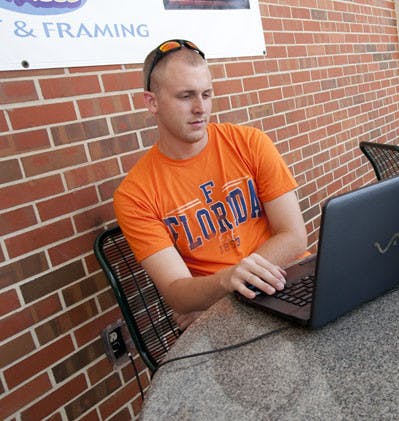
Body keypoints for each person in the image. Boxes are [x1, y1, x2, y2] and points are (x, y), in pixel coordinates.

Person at [113, 39, 308, 329]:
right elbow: (177, 292)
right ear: (151, 102)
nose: (200, 108)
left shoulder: (250, 143)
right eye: (185, 96)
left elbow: (294, 236)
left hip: (286, 281)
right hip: (229, 317)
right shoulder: (135, 194)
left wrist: (225, 290)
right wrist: (226, 283)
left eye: (206, 94)